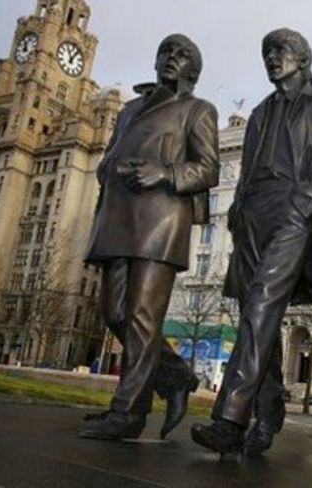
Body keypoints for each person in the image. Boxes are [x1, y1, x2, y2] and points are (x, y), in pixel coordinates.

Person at [192, 28, 312, 457]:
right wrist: (239, 208)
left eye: (280, 50)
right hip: (252, 215)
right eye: (266, 52)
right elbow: (246, 168)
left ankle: (229, 418)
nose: (271, 58)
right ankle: (270, 406)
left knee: (263, 302)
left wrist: (307, 195)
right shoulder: (261, 112)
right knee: (255, 310)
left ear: (303, 57)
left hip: (292, 209)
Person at [79, 34, 219, 442]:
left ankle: (129, 412)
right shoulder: (129, 110)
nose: (172, 59)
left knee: (141, 317)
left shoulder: (197, 110)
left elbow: (207, 168)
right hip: (118, 217)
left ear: (194, 70)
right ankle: (173, 375)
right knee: (114, 314)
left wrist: (166, 173)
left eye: (183, 55)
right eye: (166, 52)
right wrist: (110, 172)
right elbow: (107, 158)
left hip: (160, 220)